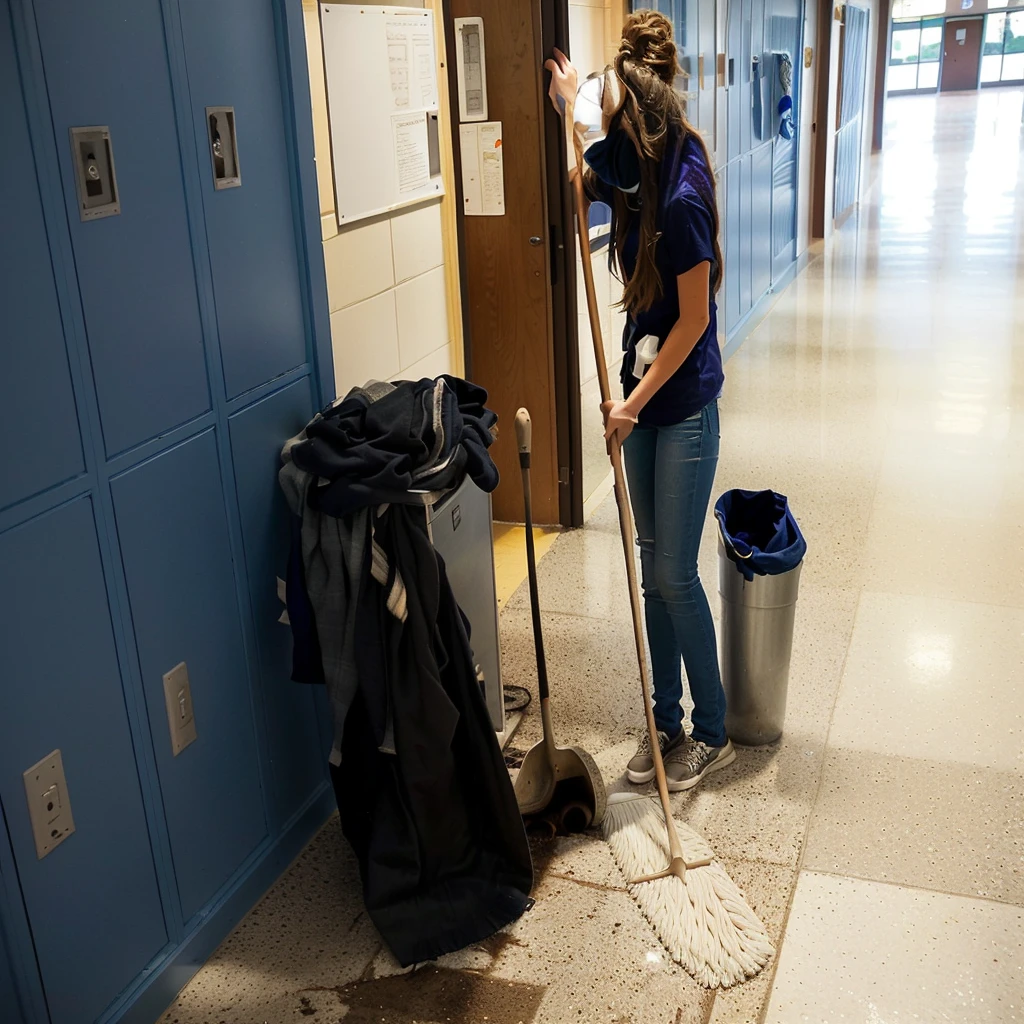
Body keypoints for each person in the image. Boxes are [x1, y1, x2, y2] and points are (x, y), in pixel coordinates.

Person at [546, 10, 734, 792]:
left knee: (674, 576)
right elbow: (590, 176)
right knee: (650, 566)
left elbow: (694, 323)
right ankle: (662, 720)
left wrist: (631, 404)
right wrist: (570, 114)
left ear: (645, 115)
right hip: (643, 395)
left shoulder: (685, 195)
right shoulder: (637, 161)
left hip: (681, 401)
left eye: (616, 114)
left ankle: (710, 730)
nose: (609, 134)